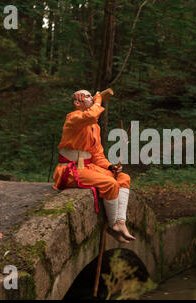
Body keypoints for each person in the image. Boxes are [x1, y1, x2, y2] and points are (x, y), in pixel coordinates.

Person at [52, 89, 135, 243]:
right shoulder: (73, 118)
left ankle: (121, 222)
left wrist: (111, 167)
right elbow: (90, 115)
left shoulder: (94, 127)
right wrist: (98, 100)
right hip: (70, 170)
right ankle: (113, 225)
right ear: (77, 103)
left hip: (89, 167)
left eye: (92, 95)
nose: (92, 97)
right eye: (87, 96)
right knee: (110, 184)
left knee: (123, 178)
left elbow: (97, 155)